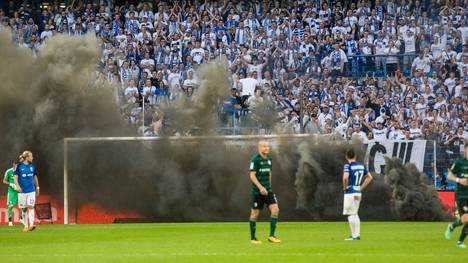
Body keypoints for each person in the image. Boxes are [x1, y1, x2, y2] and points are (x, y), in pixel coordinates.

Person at [249, 140, 280, 244]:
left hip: (268, 190)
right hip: (258, 192)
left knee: (275, 210)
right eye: (264, 146)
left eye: (268, 146)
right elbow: (252, 176)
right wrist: (261, 187)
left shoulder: (270, 159)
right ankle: (253, 238)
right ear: (259, 148)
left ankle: (271, 236)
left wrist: (268, 187)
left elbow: (269, 174)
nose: (267, 148)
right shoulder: (255, 159)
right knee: (254, 214)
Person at [342, 148, 373, 240]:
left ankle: (354, 236)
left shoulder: (347, 166)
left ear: (346, 156)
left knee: (350, 214)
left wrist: (345, 188)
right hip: (358, 192)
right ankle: (357, 235)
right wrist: (361, 188)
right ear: (355, 156)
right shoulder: (361, 166)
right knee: (355, 213)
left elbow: (345, 178)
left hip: (350, 192)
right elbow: (369, 177)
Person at [445, 142, 468, 248]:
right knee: (466, 218)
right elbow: (449, 176)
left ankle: (459, 242)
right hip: (461, 195)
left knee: (467, 220)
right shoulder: (459, 163)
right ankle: (452, 226)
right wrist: (459, 180)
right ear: (465, 150)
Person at [14, 151, 40, 232]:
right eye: (31, 156)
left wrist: (37, 187)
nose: (32, 158)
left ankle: (31, 225)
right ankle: (25, 226)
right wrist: (18, 187)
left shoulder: (33, 166)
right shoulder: (19, 166)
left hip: (31, 191)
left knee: (31, 206)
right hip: (22, 192)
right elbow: (15, 178)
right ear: (27, 157)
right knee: (24, 209)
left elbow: (35, 177)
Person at [3, 161, 19, 226]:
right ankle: (10, 221)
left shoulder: (20, 171)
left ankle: (21, 219)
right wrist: (10, 184)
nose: (17, 167)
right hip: (11, 191)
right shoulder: (9, 171)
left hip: (19, 190)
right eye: (16, 165)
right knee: (10, 206)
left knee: (22, 205)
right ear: (13, 164)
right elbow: (4, 180)